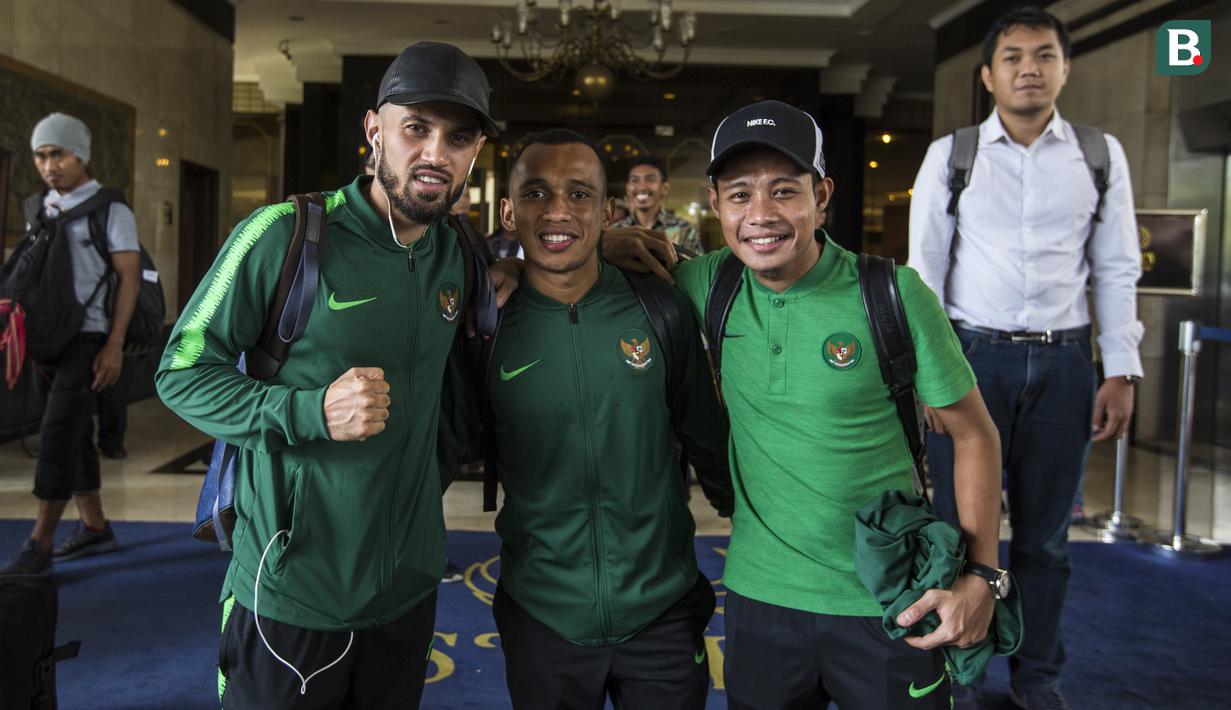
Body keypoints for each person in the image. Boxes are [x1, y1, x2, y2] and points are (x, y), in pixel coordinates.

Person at [604, 100, 1003, 710]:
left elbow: (974, 435)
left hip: (891, 599)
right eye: (739, 195)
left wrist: (981, 577)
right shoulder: (707, 285)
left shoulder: (893, 294)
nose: (761, 216)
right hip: (762, 601)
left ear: (823, 195)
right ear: (714, 205)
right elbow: (589, 260)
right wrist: (522, 261)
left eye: (784, 191)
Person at [156, 42, 513, 709]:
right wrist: (310, 412)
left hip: (405, 590)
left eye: (458, 137)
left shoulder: (459, 256)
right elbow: (180, 371)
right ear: (374, 130)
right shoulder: (283, 234)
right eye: (417, 128)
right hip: (288, 589)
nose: (436, 152)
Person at [907, 8, 1143, 709]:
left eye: (1043, 55)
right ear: (987, 75)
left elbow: (1115, 267)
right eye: (1011, 57)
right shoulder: (953, 155)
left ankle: (1036, 680)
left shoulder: (1098, 155)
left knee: (1045, 544)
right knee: (959, 538)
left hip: (1067, 364)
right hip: (970, 359)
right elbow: (923, 271)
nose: (1028, 68)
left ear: (1065, 68)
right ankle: (963, 677)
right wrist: (926, 369)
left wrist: (1120, 370)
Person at [471, 129, 731, 709]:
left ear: (608, 212)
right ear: (508, 213)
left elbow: (711, 445)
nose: (558, 210)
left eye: (580, 194)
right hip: (543, 612)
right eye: (536, 194)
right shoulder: (484, 323)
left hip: (661, 609)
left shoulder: (660, 307)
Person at [1, 113, 139, 575]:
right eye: (41, 155)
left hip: (89, 336)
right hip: (45, 339)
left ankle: (39, 543)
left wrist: (114, 343)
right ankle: (96, 527)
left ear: (80, 154)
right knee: (74, 431)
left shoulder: (110, 208)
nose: (48, 165)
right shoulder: (38, 208)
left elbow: (129, 278)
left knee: (57, 433)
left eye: (58, 154)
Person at [618, 157, 705, 256]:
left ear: (665, 188)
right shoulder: (617, 231)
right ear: (628, 188)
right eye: (634, 180)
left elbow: (696, 267)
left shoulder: (684, 229)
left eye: (650, 180)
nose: (641, 187)